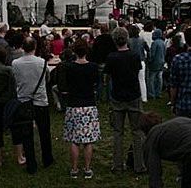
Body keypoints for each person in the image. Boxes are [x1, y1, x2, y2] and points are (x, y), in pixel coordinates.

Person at [104, 27, 145, 173]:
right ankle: (139, 165)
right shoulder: (134, 56)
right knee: (137, 131)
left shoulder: (111, 57)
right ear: (126, 39)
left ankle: (117, 165)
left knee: (118, 132)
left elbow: (107, 77)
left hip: (118, 96)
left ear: (114, 40)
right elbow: (137, 71)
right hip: (133, 95)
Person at [11, 37, 54, 173]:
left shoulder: (16, 63)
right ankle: (47, 159)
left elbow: (15, 79)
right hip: (40, 101)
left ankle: (31, 163)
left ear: (23, 47)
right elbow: (47, 79)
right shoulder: (42, 62)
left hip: (24, 101)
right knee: (44, 132)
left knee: (27, 135)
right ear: (35, 47)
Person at [61, 39, 100, 179]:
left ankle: (74, 169)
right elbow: (96, 83)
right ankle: (88, 168)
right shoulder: (93, 67)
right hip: (89, 104)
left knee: (74, 139)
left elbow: (66, 85)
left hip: (74, 105)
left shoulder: (69, 67)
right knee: (88, 140)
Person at [147, 28, 166, 99]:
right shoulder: (162, 42)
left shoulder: (154, 43)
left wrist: (150, 60)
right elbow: (165, 52)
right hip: (162, 61)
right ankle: (158, 93)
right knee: (159, 78)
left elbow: (153, 54)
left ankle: (151, 94)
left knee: (151, 78)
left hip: (155, 62)